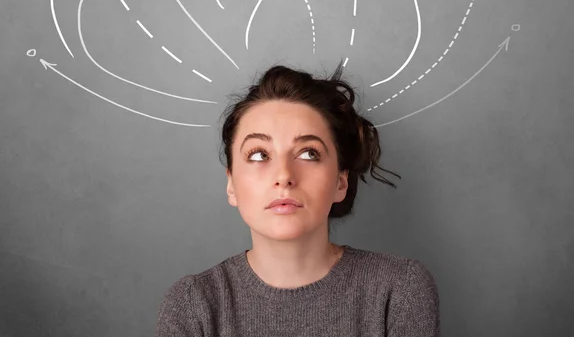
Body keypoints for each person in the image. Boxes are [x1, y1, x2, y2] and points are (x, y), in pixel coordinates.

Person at [155, 60, 440, 336]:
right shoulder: (194, 305)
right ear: (231, 184)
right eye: (259, 154)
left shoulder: (399, 290)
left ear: (341, 182)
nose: (284, 175)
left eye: (309, 153)